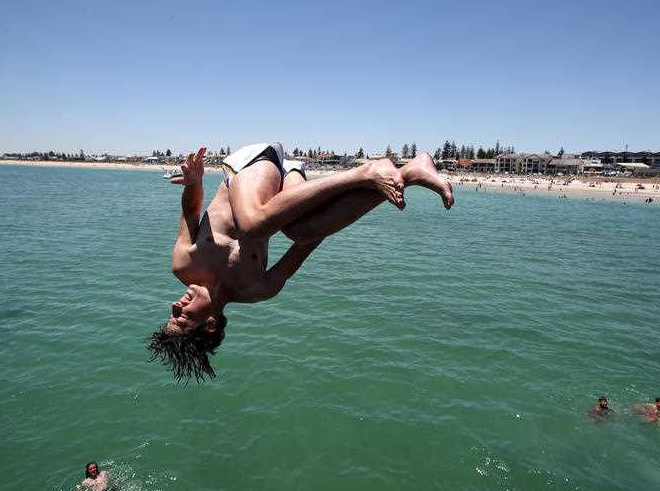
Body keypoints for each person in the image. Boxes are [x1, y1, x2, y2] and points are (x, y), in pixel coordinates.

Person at [148, 143, 454, 382]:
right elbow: (309, 243)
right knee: (301, 231)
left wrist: (194, 182)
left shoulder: (183, 264)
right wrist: (325, 218)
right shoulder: (257, 289)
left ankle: (365, 172)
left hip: (247, 166)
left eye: (173, 312)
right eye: (182, 316)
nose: (177, 305)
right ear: (210, 324)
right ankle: (411, 172)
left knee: (253, 225)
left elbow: (190, 213)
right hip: (287, 179)